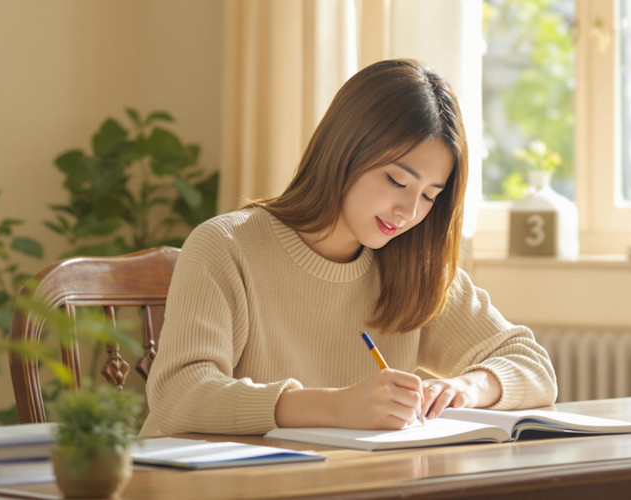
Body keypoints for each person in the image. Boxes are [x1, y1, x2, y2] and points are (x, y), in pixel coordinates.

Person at [140, 59, 557, 437]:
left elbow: (532, 365)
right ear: (345, 151)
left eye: (430, 195)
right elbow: (179, 394)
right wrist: (336, 406)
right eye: (397, 181)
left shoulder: (412, 266)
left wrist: (464, 388)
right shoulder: (226, 246)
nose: (409, 211)